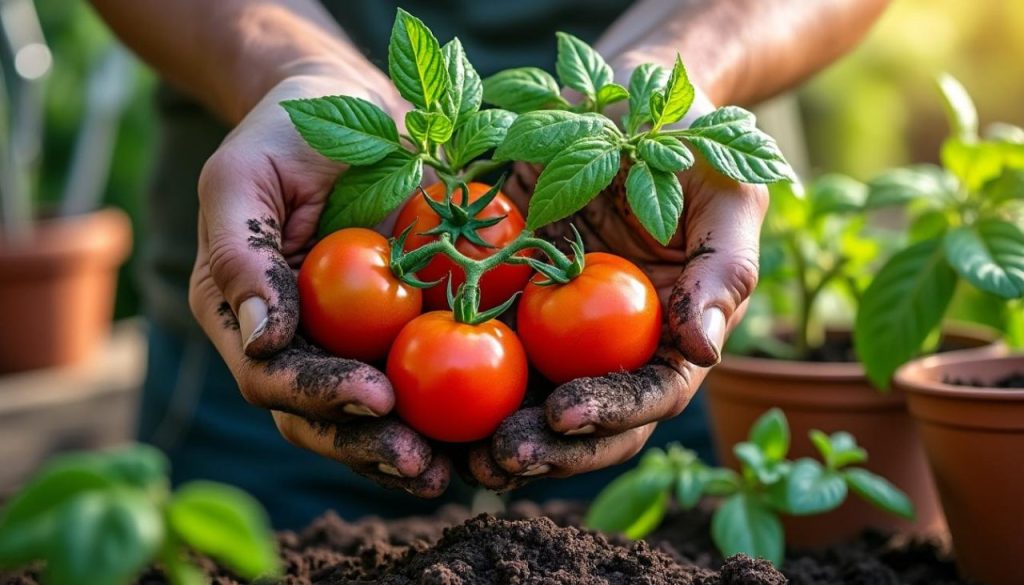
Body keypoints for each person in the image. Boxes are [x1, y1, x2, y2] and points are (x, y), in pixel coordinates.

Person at [89, 0, 890, 528]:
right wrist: (284, 67)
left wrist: (679, 69)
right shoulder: (415, 251)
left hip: (671, 259)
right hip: (276, 297)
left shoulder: (429, 257)